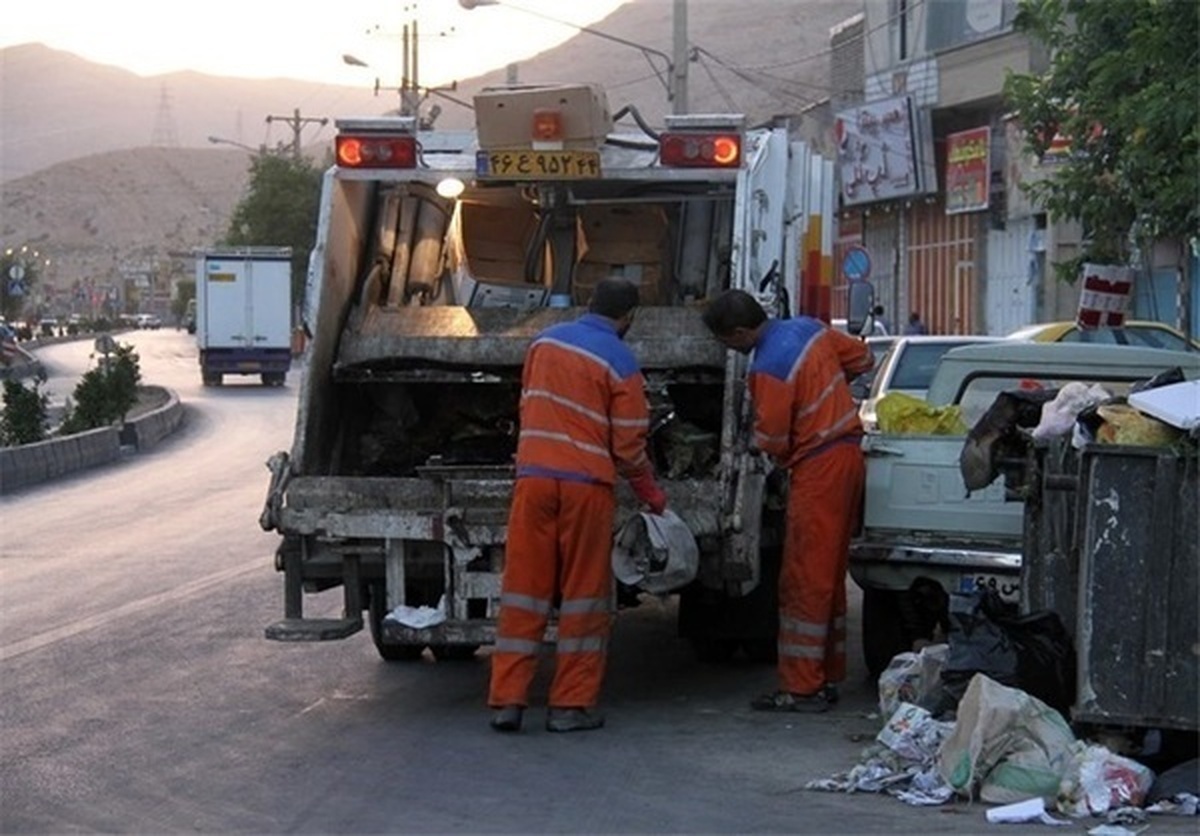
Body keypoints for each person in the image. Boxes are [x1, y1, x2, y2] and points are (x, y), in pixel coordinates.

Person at [488, 276, 667, 733]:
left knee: (524, 594)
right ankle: (569, 707)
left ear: (588, 302)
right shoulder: (622, 361)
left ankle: (507, 701)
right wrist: (651, 494)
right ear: (628, 318)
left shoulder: (542, 344)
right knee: (583, 598)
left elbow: (529, 406)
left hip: (533, 480)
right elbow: (628, 447)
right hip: (586, 487)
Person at [701, 290, 873, 713]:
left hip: (818, 467)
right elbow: (862, 360)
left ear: (741, 332)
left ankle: (801, 688)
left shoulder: (768, 367)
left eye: (727, 343)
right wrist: (824, 395)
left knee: (802, 578)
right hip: (848, 455)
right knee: (828, 573)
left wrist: (767, 447)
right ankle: (825, 675)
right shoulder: (809, 329)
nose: (730, 351)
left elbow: (772, 438)